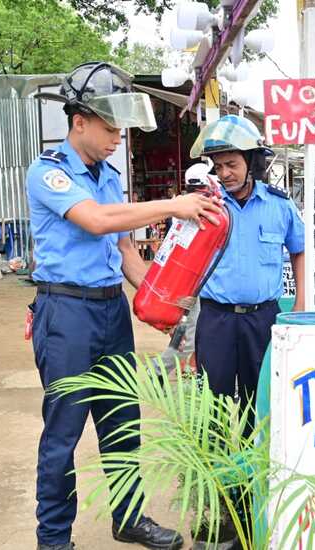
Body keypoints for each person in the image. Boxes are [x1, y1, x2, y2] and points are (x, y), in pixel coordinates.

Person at [26, 61, 221, 550]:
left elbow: (125, 251)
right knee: (63, 433)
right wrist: (172, 205)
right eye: (110, 128)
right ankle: (53, 540)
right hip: (65, 313)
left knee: (122, 422)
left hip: (110, 310)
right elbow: (94, 221)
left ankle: (129, 517)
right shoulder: (47, 172)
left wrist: (168, 311)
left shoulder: (108, 176)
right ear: (79, 122)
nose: (118, 138)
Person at [190, 114, 305, 429]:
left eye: (232, 164)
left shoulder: (279, 206)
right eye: (218, 166)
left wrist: (301, 303)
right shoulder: (204, 206)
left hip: (262, 319)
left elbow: (299, 249)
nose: (224, 173)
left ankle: (255, 476)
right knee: (213, 406)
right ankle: (218, 476)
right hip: (216, 320)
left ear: (251, 162)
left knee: (262, 400)